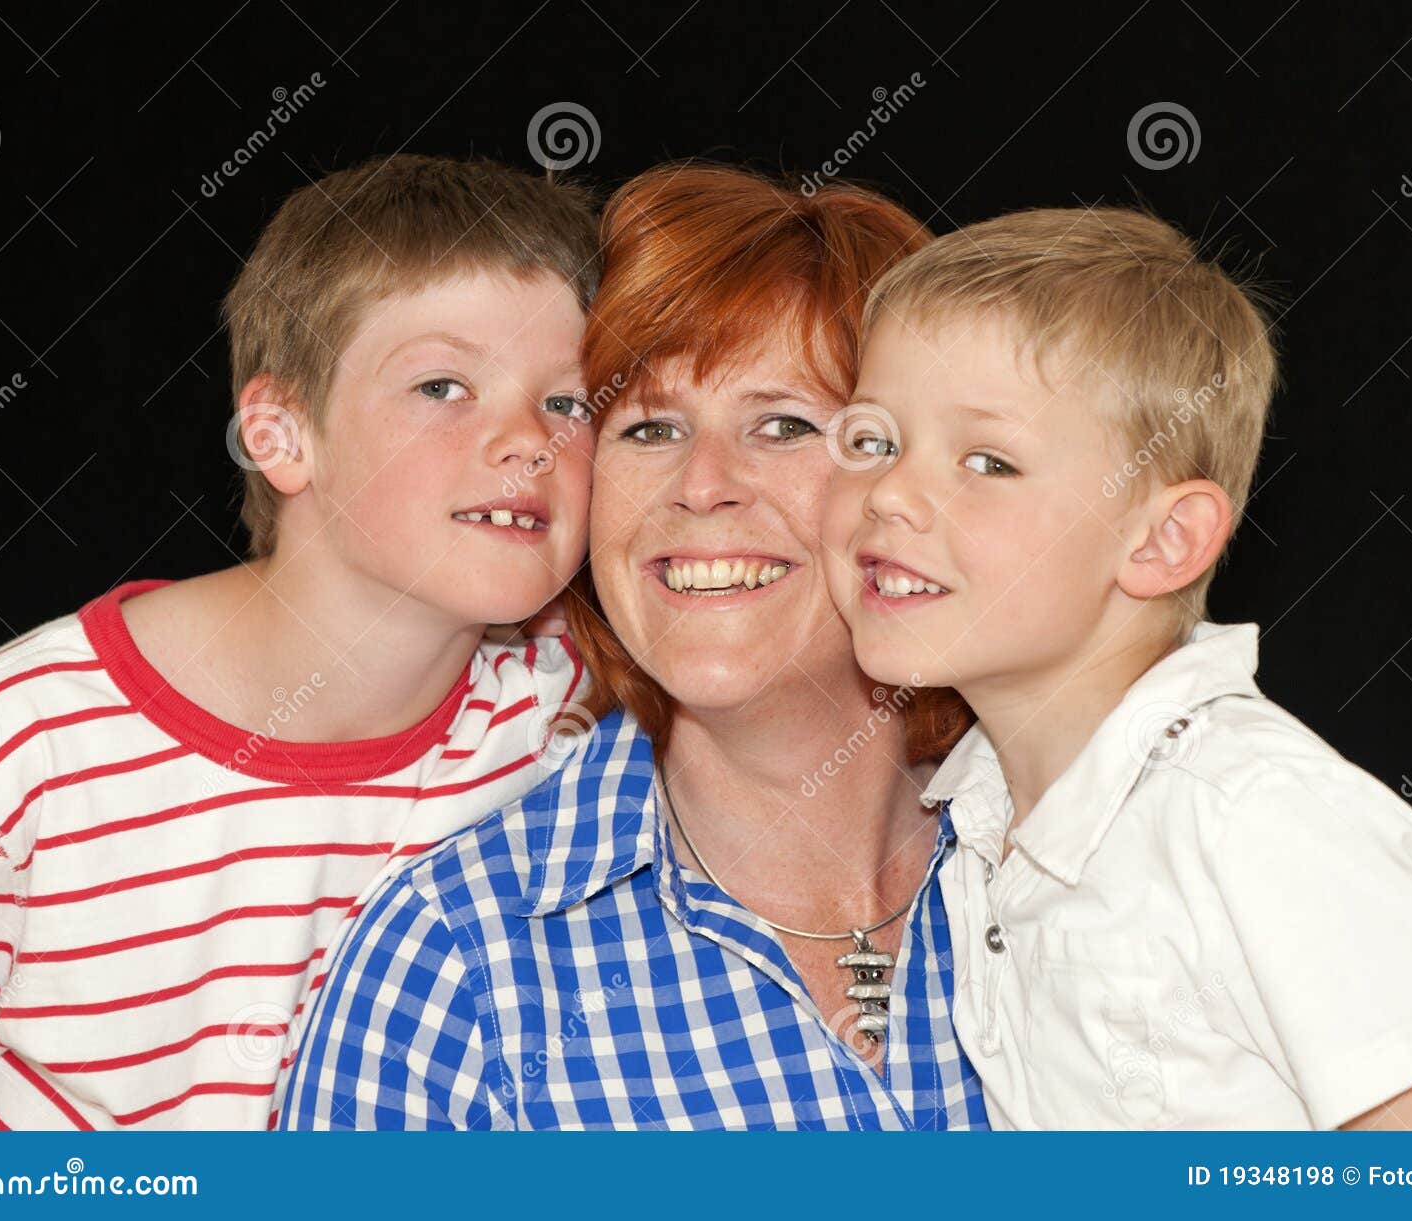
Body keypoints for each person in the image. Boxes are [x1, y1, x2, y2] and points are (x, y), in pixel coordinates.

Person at [278, 163, 988, 1130]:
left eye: (784, 424)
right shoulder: (455, 960)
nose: (701, 483)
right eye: (649, 427)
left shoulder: (1093, 855)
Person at [0, 155, 596, 1129]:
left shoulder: (565, 715)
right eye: (443, 385)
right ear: (281, 434)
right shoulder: (12, 752)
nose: (531, 439)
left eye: (570, 402)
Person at [821, 205, 1412, 1129]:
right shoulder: (974, 827)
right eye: (873, 442)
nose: (891, 492)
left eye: (987, 461)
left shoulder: (1254, 819)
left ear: (1163, 542)